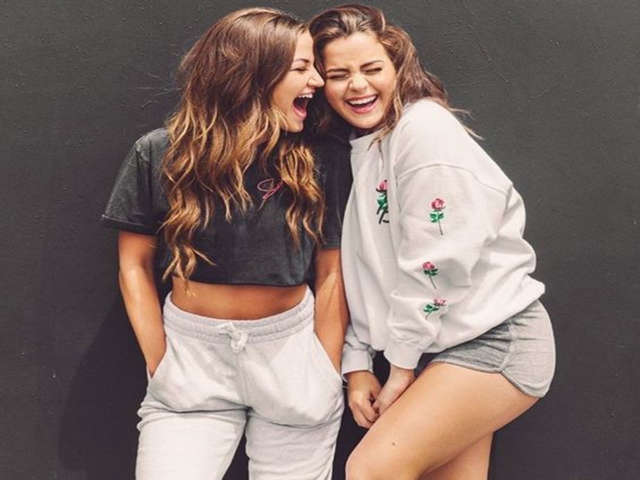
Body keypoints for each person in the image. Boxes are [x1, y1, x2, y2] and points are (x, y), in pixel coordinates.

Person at [100, 8, 351, 479]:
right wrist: (160, 362)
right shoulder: (159, 152)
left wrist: (324, 365)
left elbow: (332, 269)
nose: (317, 81)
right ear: (254, 75)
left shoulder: (323, 158)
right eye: (301, 67)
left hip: (292, 354)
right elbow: (133, 264)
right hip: (192, 359)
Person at [309, 4, 556, 479]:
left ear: (397, 67)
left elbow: (439, 263)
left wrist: (399, 367)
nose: (357, 85)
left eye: (371, 68)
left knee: (372, 469)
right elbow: (367, 270)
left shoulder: (423, 129)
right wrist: (357, 362)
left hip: (494, 339)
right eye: (338, 74)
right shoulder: (366, 148)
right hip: (443, 346)